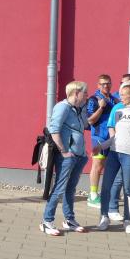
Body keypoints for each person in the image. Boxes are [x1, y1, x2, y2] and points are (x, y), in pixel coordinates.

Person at [94, 82, 130, 234]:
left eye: (123, 95)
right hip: (114, 154)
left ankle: (127, 220)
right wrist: (101, 146)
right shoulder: (119, 112)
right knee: (106, 186)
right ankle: (104, 217)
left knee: (128, 189)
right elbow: (116, 136)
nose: (120, 97)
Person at [40, 81, 90, 236]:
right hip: (67, 156)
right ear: (76, 93)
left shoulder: (78, 109)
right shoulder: (62, 107)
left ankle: (69, 220)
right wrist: (64, 151)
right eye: (85, 93)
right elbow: (53, 130)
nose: (87, 95)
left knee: (70, 188)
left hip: (79, 156)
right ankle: (47, 222)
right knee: (59, 189)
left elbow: (85, 126)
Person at [85, 74, 117, 210]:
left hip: (112, 138)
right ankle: (92, 196)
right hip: (99, 138)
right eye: (103, 84)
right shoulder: (93, 99)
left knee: (108, 166)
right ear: (98, 85)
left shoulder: (114, 99)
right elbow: (90, 120)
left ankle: (105, 195)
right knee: (97, 166)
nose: (106, 86)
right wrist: (101, 108)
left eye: (108, 83)